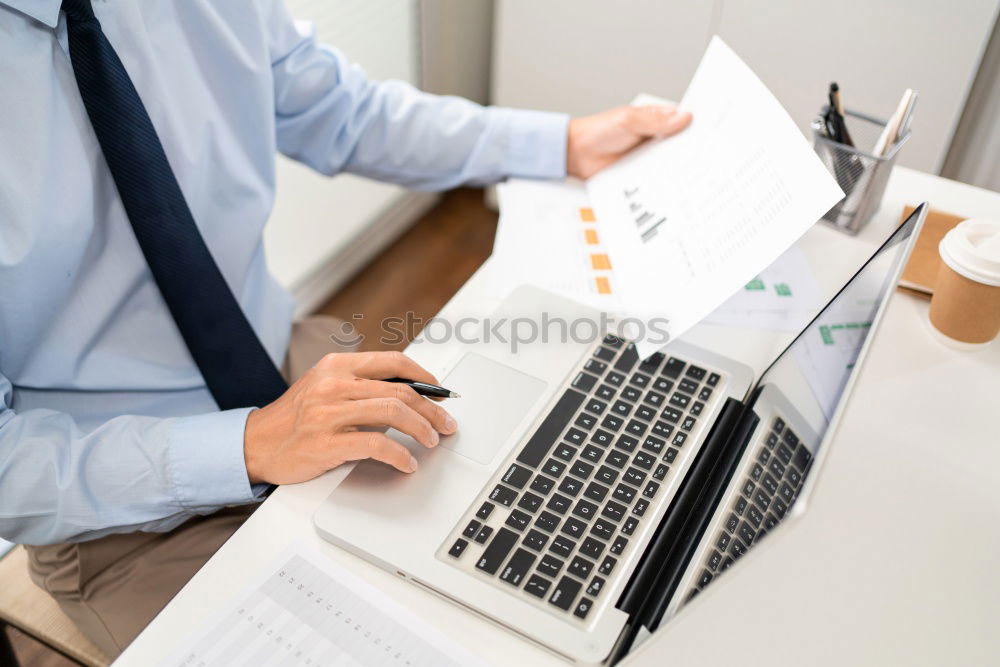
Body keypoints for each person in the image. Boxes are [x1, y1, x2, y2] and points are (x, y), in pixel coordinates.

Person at [0, 0, 692, 657]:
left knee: (551, 533)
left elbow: (339, 111)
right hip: (116, 514)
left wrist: (559, 142)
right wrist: (248, 444)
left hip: (285, 366)